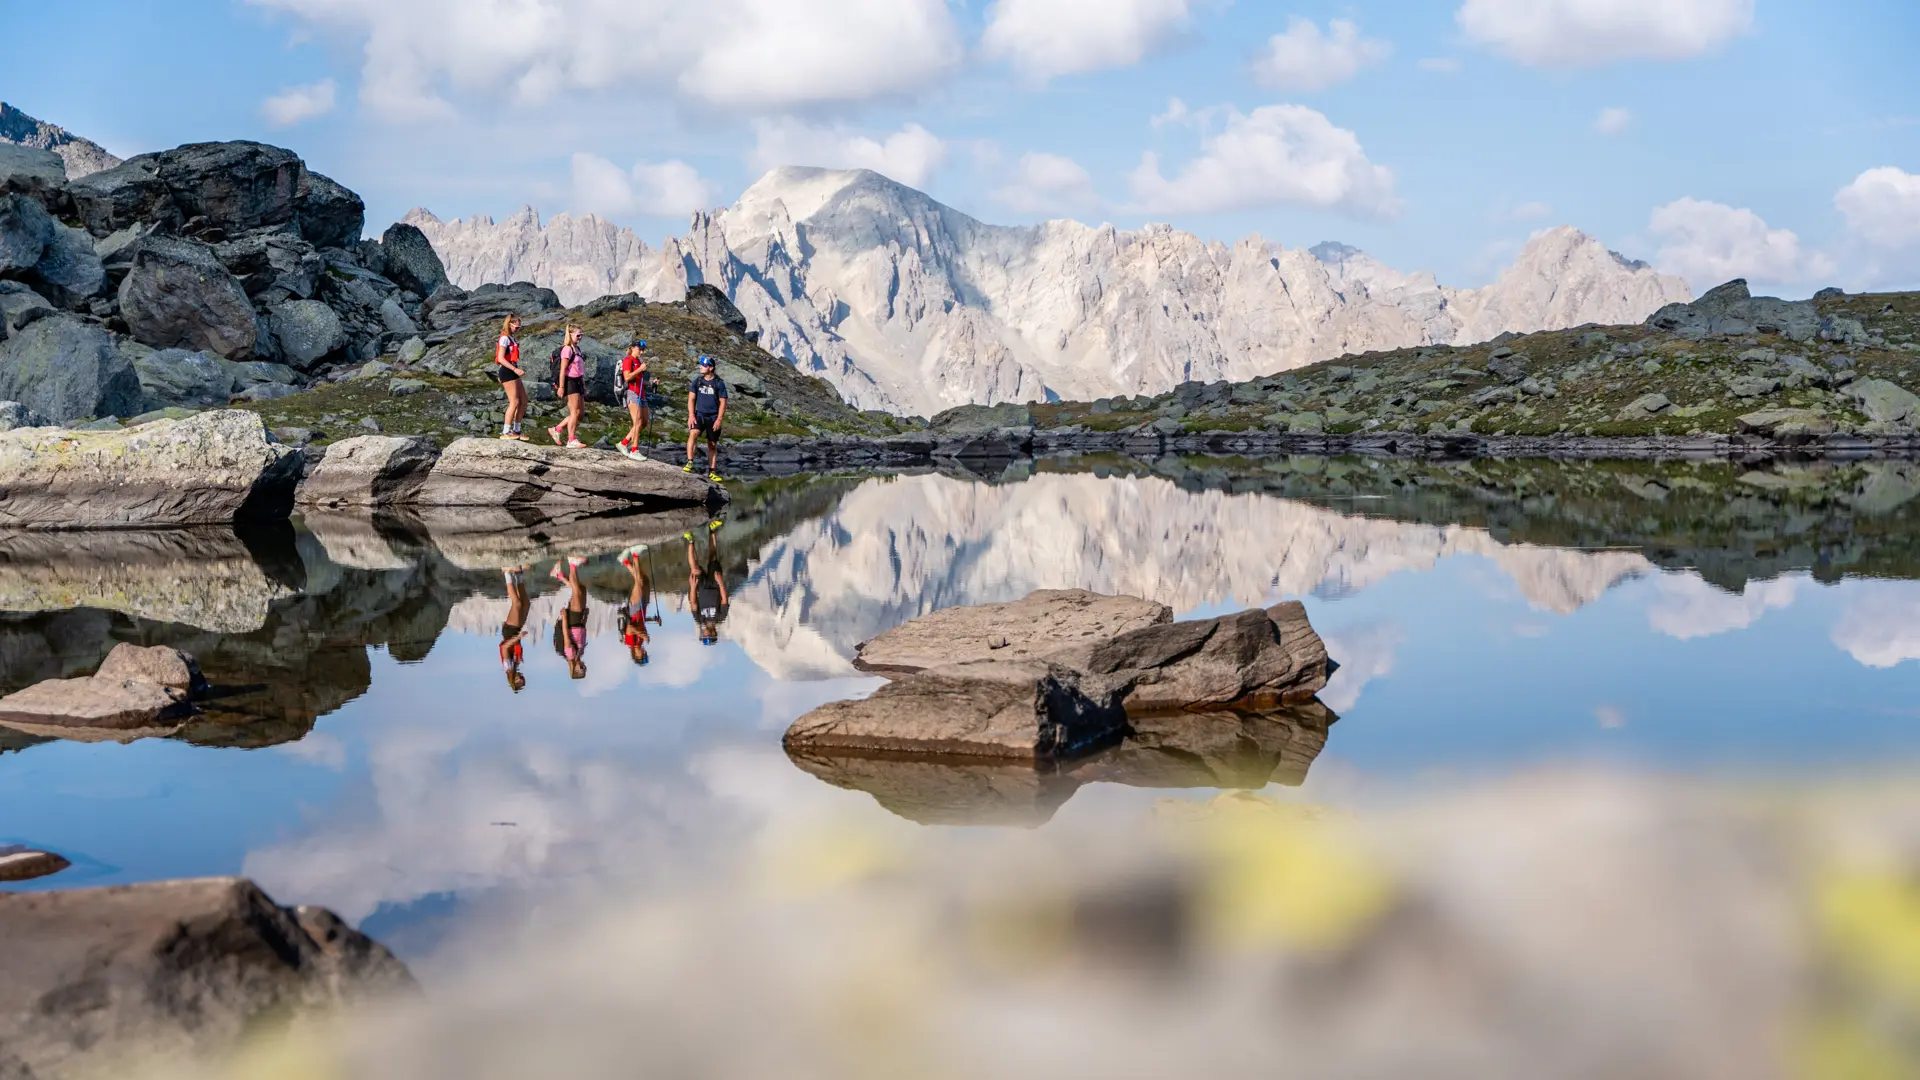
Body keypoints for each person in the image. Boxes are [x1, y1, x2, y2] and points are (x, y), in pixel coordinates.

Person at [682, 355, 728, 481]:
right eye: (701, 365)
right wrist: (691, 415)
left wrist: (719, 419)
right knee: (693, 434)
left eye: (704, 365)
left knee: (712, 444)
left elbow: (723, 402)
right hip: (699, 415)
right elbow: (691, 399)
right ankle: (690, 462)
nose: (701, 367)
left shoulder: (719, 383)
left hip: (713, 417)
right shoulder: (697, 381)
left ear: (711, 368)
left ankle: (712, 472)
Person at [684, 519, 728, 646]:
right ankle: (712, 530)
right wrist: (720, 582)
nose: (704, 635)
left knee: (694, 568)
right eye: (706, 637)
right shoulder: (720, 617)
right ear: (714, 634)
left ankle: (690, 541)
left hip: (701, 587)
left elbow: (693, 603)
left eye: (703, 637)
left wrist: (693, 587)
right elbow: (724, 600)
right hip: (715, 585)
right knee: (713, 557)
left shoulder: (699, 619)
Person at [617, 543, 659, 665]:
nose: (644, 653)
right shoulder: (640, 642)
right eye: (645, 655)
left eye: (642, 656)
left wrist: (642, 634)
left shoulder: (630, 642)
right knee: (645, 581)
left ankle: (635, 554)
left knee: (639, 582)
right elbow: (641, 623)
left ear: (635, 655)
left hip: (634, 610)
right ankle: (625, 561)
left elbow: (630, 628)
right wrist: (653, 620)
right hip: (642, 608)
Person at [550, 555, 589, 680]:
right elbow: (582, 633)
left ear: (574, 669)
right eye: (583, 669)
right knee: (582, 590)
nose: (582, 667)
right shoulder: (580, 653)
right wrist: (585, 619)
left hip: (572, 621)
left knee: (577, 593)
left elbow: (566, 636)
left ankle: (572, 564)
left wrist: (565, 618)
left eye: (579, 670)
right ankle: (559, 576)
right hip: (579, 621)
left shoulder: (570, 655)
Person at [548, 326, 587, 449]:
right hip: (570, 382)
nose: (580, 337)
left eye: (581, 335)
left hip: (578, 381)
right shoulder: (567, 349)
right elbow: (562, 370)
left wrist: (583, 385)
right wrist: (561, 387)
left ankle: (557, 429)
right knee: (574, 411)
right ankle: (571, 439)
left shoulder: (578, 349)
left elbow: (579, 369)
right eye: (578, 335)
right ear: (570, 335)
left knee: (580, 413)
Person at [495, 315, 527, 440]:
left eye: (519, 327)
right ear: (509, 324)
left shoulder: (511, 338)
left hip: (512, 369)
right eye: (516, 327)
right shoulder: (504, 338)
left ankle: (517, 430)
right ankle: (506, 431)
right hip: (508, 371)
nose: (518, 329)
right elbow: (501, 358)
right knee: (514, 401)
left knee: (523, 401)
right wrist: (515, 369)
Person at [618, 340, 650, 460]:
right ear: (632, 348)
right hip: (632, 393)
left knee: (644, 422)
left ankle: (624, 443)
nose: (641, 352)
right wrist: (640, 369)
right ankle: (634, 450)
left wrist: (651, 383)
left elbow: (639, 380)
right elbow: (627, 377)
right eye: (639, 349)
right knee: (637, 421)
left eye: (643, 350)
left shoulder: (638, 361)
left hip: (641, 394)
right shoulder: (628, 360)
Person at [500, 565, 530, 691]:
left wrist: (518, 637)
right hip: (516, 630)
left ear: (513, 681)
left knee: (517, 603)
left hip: (510, 631)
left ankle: (507, 573)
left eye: (518, 681)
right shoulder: (515, 665)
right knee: (526, 604)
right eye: (522, 679)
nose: (520, 678)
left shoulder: (508, 667)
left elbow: (504, 647)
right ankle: (518, 574)